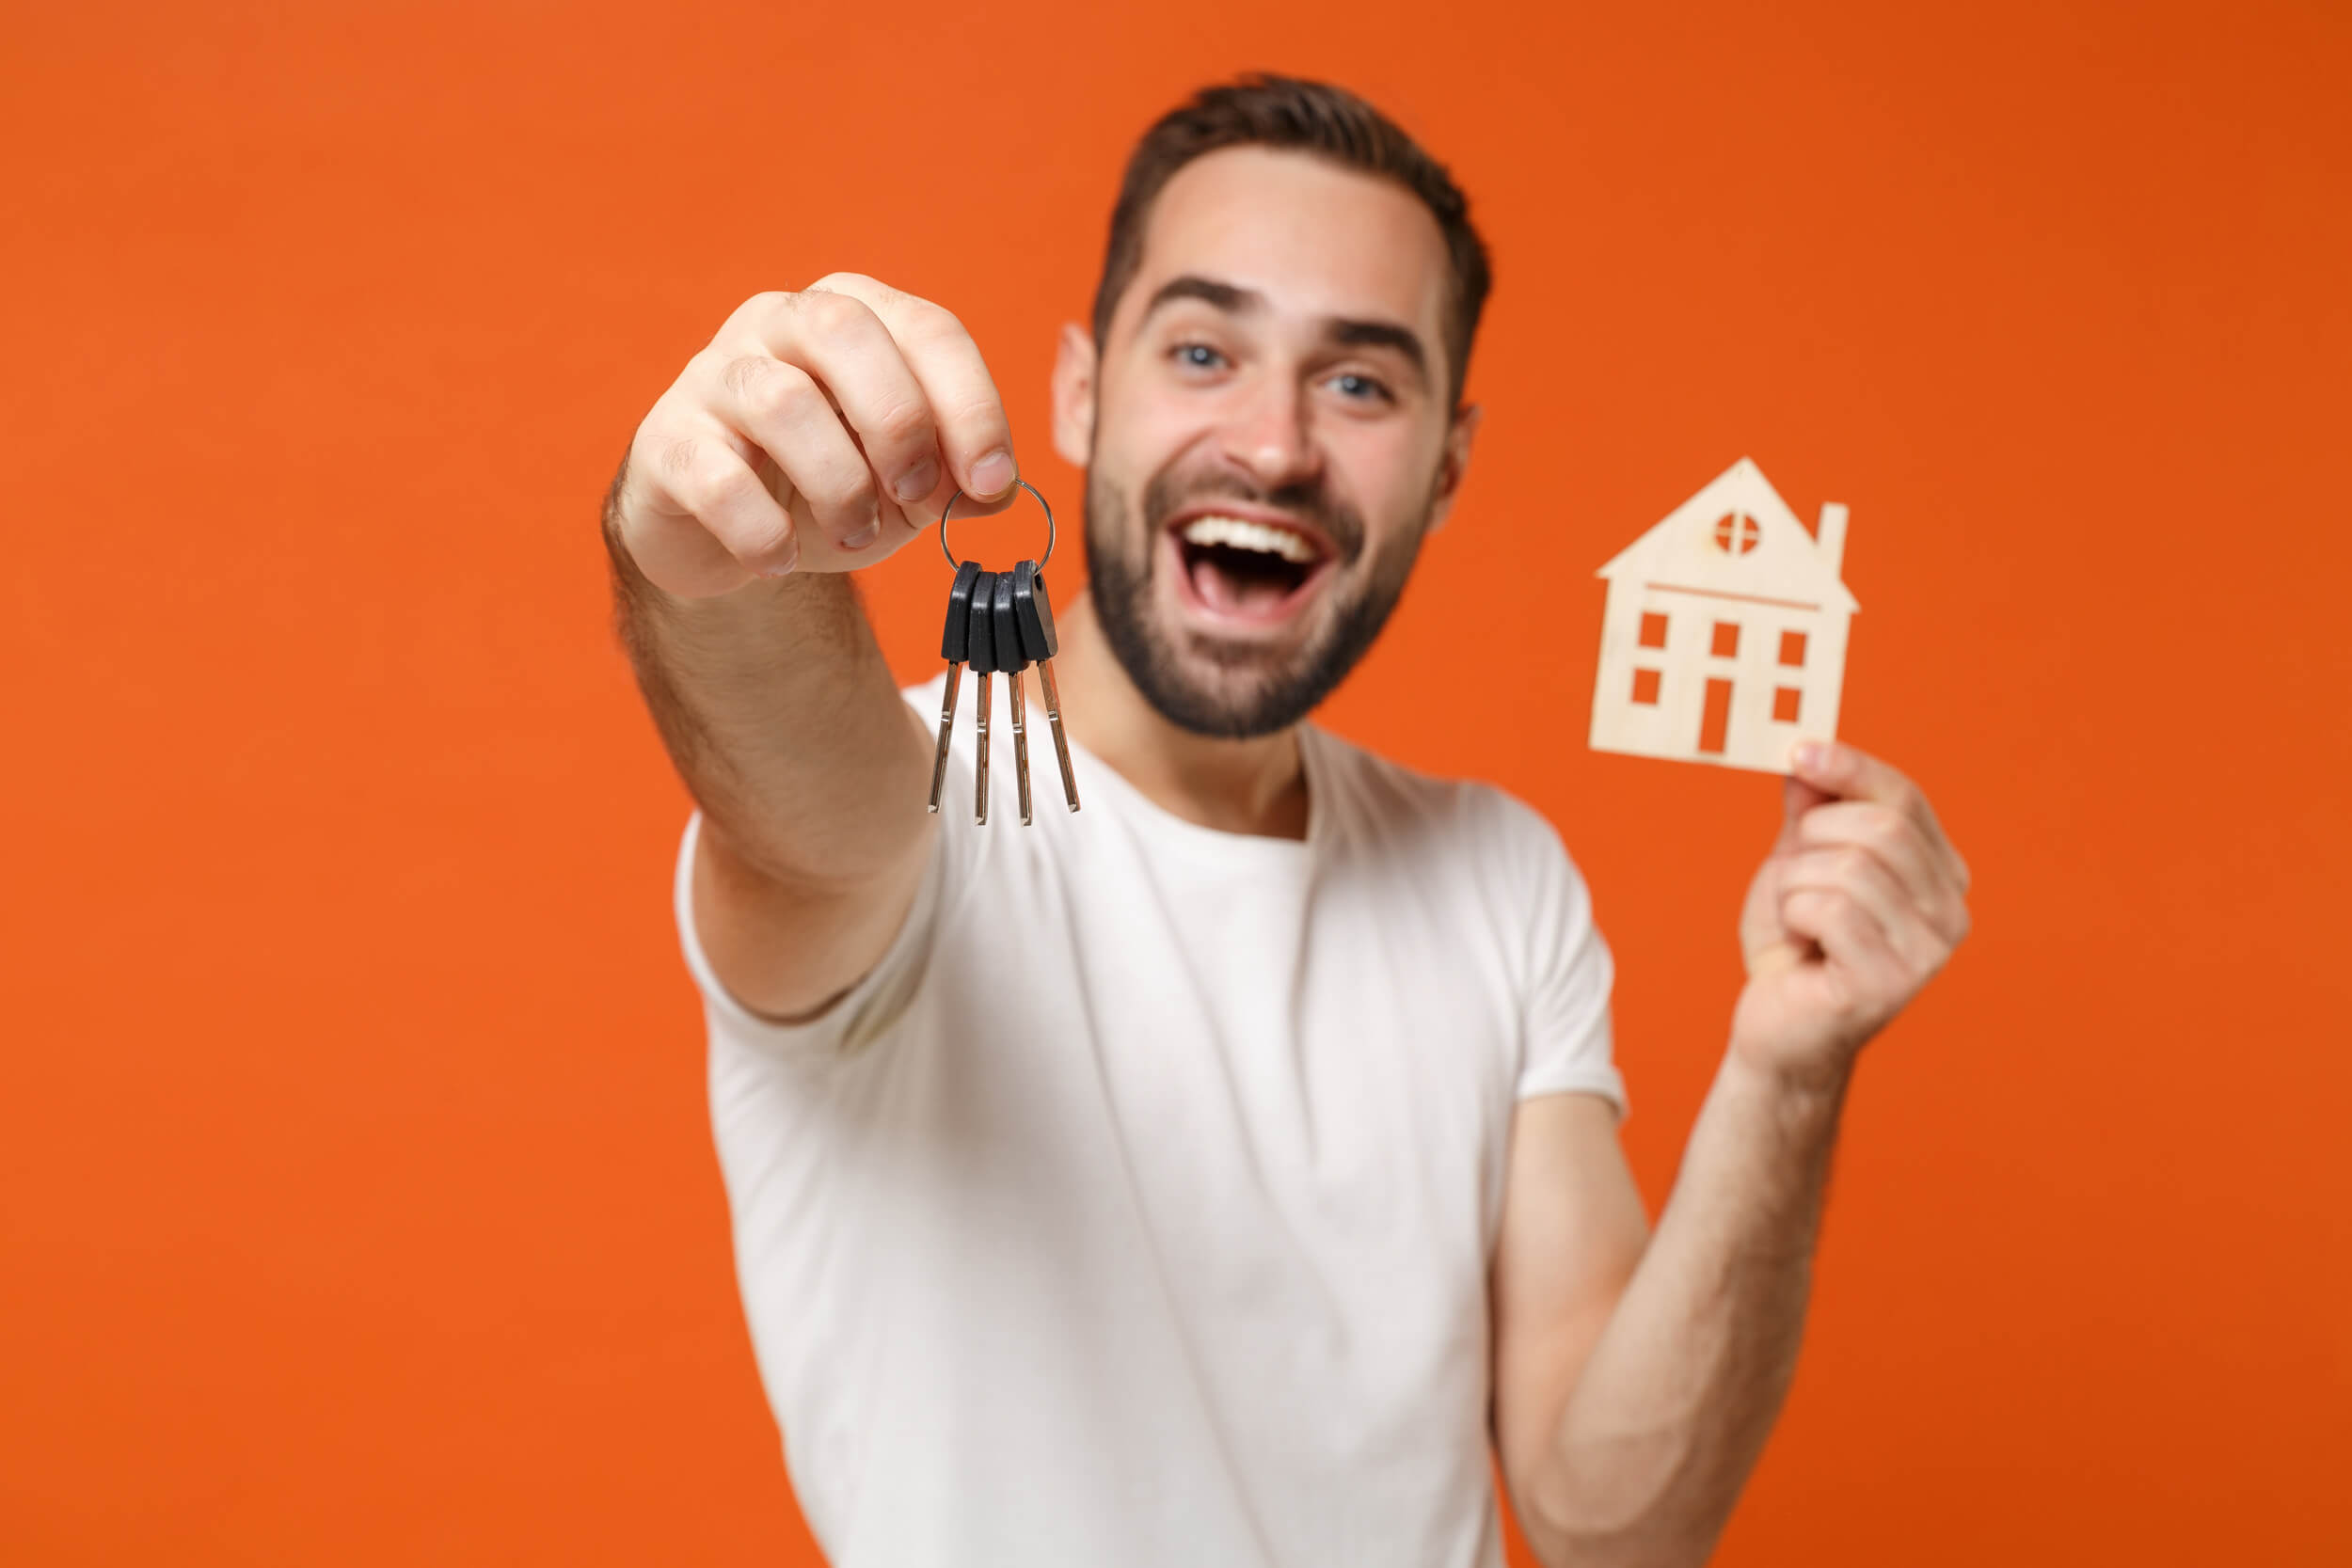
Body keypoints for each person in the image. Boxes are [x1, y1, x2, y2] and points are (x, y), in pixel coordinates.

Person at [601, 73, 1970, 1568]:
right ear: (1079, 392)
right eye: (1203, 348)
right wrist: (722, 555)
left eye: (1362, 383)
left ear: (1447, 470)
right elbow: (804, 799)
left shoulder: (1499, 878)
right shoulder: (932, 803)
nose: (1273, 444)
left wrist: (1785, 1075)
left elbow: (1611, 1528)